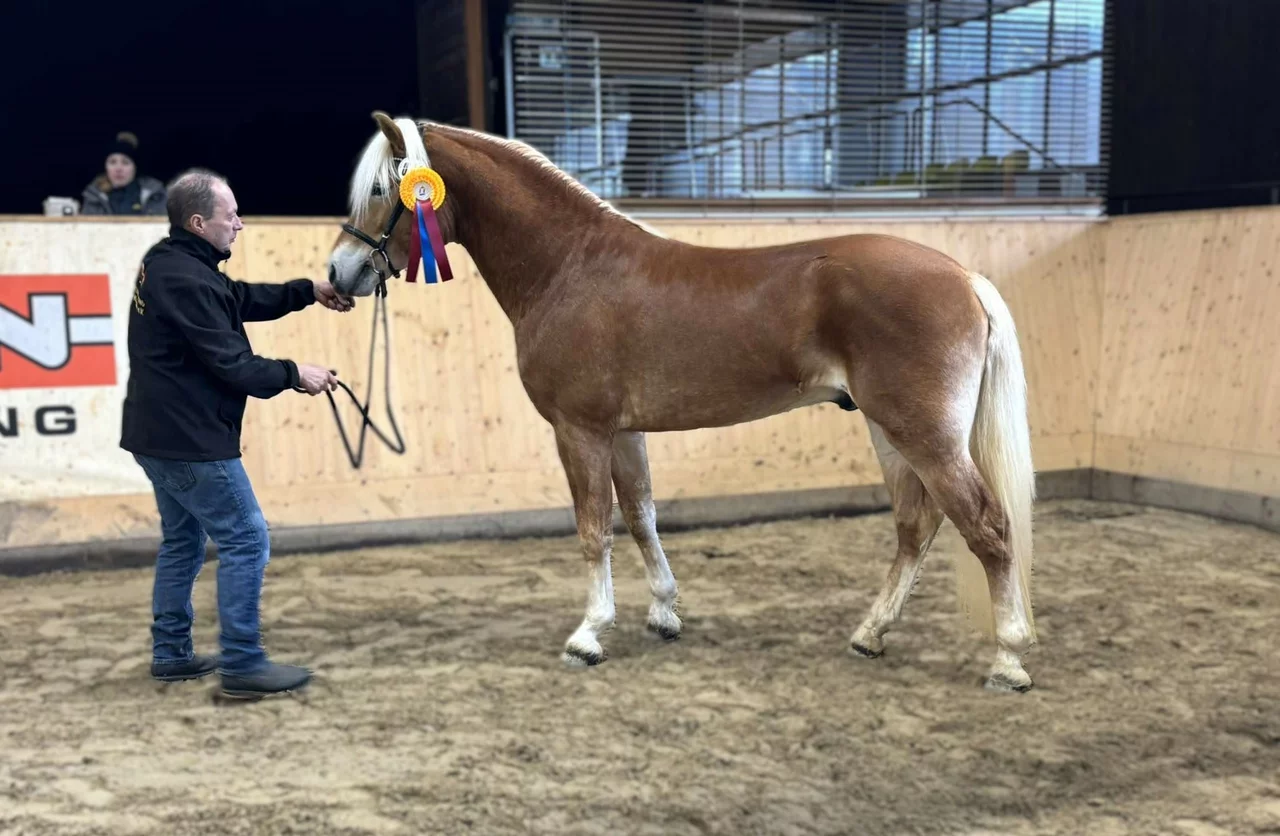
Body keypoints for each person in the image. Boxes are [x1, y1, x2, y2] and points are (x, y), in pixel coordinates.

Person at [120, 168, 354, 698]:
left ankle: (171, 653)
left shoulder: (172, 261)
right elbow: (234, 366)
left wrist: (307, 292)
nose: (240, 224)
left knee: (183, 541)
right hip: (190, 440)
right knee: (247, 538)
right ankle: (243, 663)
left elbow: (235, 298)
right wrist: (296, 373)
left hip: (157, 434)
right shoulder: (187, 278)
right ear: (199, 223)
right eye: (231, 216)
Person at [81, 131, 167, 215]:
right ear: (105, 167)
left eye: (125, 162)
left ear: (135, 167)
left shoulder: (154, 193)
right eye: (112, 162)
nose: (118, 168)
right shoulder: (94, 196)